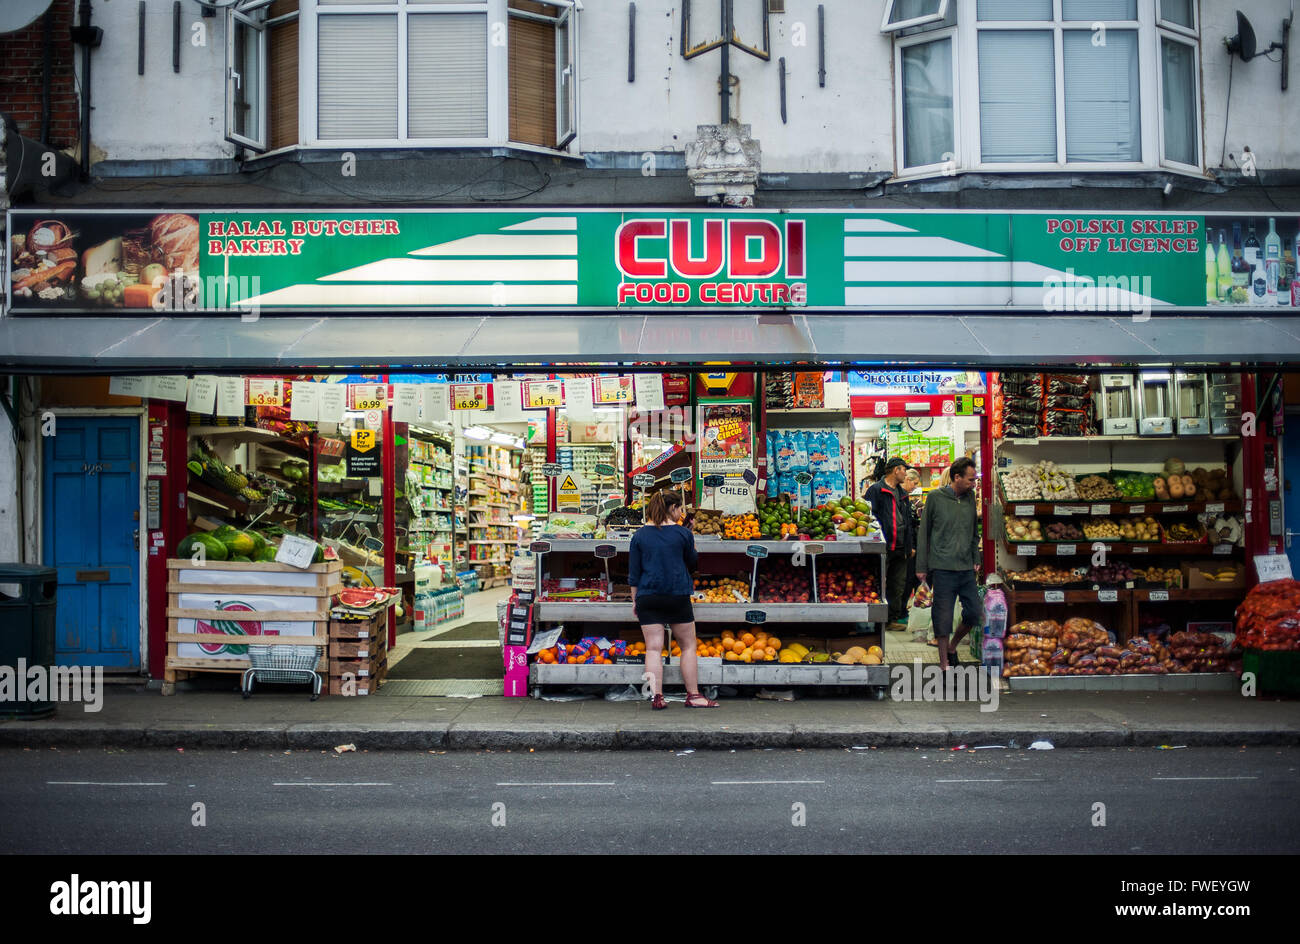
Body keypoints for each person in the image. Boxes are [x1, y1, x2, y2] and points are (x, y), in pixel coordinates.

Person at [628, 490, 718, 709]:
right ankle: (694, 696)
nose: (681, 513)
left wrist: (635, 601)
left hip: (648, 596)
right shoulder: (683, 534)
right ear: (673, 509)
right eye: (680, 508)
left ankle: (656, 696)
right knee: (688, 646)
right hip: (677, 595)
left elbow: (634, 574)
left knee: (653, 649)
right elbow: (693, 562)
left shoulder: (639, 535)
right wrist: (691, 538)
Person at [915, 456, 982, 670]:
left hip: (965, 567)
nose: (974, 484)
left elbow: (973, 532)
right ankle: (944, 663)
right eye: (970, 480)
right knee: (942, 617)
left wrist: (976, 558)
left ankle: (953, 646)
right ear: (956, 477)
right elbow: (924, 533)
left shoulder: (970, 498)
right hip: (942, 566)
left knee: (974, 611)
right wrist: (921, 566)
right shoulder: (935, 497)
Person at [865, 457, 912, 631]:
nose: (905, 473)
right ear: (895, 470)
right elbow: (869, 519)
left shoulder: (903, 493)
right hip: (883, 547)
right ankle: (876, 621)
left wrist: (909, 546)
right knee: (878, 583)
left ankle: (890, 620)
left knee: (897, 585)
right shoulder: (876, 490)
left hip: (900, 548)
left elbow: (907, 520)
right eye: (903, 469)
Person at [901, 468, 922, 606]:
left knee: (910, 579)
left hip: (909, 546)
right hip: (905, 548)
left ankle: (904, 609)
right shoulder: (900, 497)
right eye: (914, 483)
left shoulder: (906, 498)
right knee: (906, 579)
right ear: (907, 479)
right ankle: (900, 611)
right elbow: (906, 525)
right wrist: (909, 547)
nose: (915, 487)